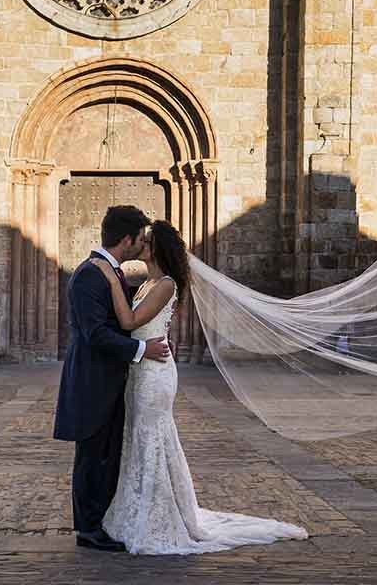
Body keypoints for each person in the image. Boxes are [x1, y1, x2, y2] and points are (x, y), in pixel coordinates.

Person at [95, 219, 308, 555]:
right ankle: (138, 510)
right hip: (141, 369)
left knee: (152, 437)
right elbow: (148, 324)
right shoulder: (147, 283)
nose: (139, 246)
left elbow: (129, 322)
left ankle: (156, 519)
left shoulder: (164, 283)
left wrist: (109, 278)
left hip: (154, 375)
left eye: (145, 242)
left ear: (156, 249)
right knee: (140, 438)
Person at [52, 205, 171, 552]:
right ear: (126, 239)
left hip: (108, 381)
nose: (142, 244)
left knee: (104, 455)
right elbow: (95, 334)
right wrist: (140, 350)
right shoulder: (92, 273)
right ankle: (88, 530)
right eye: (139, 239)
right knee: (92, 456)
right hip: (92, 382)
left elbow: (125, 319)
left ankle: (98, 522)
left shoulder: (109, 271)